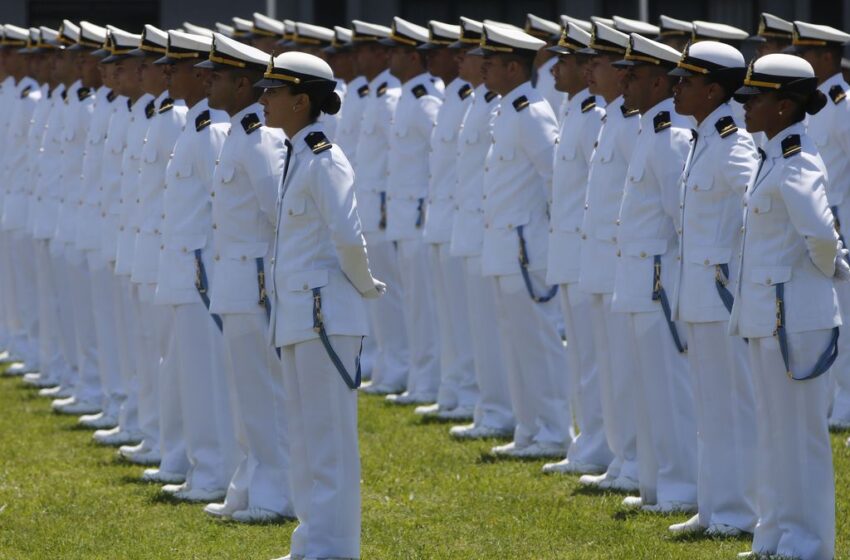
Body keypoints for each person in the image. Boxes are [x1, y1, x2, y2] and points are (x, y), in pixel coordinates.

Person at [257, 49, 384, 560]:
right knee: (307, 442)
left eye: (273, 92)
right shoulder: (298, 154)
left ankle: (335, 549)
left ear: (301, 100)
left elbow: (348, 238)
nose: (263, 100)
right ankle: (312, 542)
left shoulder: (326, 157)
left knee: (329, 444)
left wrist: (365, 286)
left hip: (324, 316)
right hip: (300, 315)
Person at [731, 52, 843, 560]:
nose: (746, 106)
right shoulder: (772, 155)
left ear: (783, 105)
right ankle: (774, 535)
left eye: (755, 97)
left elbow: (821, 235)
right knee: (775, 433)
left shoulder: (798, 158)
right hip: (769, 315)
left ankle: (810, 542)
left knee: (801, 437)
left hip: (794, 316)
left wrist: (823, 274)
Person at [196, 31, 294, 524]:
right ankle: (250, 484)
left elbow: (281, 213)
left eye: (217, 75)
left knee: (265, 394)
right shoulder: (238, 130)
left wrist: (272, 281)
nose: (206, 81)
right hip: (236, 280)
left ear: (242, 83)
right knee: (246, 395)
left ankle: (277, 495)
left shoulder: (258, 137)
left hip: (256, 283)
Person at [667, 40, 759, 537]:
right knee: (709, 406)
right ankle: (714, 504)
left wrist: (740, 267)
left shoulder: (732, 142)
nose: (677, 88)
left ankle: (740, 511)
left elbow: (760, 203)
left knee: (734, 407)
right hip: (698, 294)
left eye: (686, 81)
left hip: (722, 294)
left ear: (713, 89)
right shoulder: (703, 138)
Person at [474, 23, 572, 459]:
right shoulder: (508, 109)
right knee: (515, 342)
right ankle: (529, 428)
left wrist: (553, 238)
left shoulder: (532, 111)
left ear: (514, 66)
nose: (483, 69)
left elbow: (557, 179)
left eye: (491, 62)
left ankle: (553, 431)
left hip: (526, 247)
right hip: (504, 247)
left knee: (539, 344)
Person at [612, 33, 697, 513]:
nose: (625, 81)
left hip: (659, 281)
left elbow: (681, 221)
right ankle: (655, 485)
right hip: (639, 279)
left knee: (669, 392)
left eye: (635, 74)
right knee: (648, 391)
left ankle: (682, 487)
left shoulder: (672, 138)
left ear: (661, 82)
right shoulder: (648, 129)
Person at [541, 20, 612, 475]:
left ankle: (601, 446)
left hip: (590, 253)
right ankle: (589, 441)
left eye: (564, 62)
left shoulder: (594, 118)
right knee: (581, 355)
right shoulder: (572, 112)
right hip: (568, 251)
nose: (553, 70)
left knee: (595, 359)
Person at [576, 20, 642, 493]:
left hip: (623, 260)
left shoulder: (635, 121)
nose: (588, 71)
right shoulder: (611, 117)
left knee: (626, 367)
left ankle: (636, 458)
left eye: (596, 63)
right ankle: (620, 456)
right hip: (601, 259)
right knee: (606, 362)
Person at [447, 16, 514, 439]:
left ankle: (499, 411)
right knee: (475, 326)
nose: (470, 62)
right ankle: (487, 406)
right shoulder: (478, 101)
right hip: (472, 227)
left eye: (477, 56)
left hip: (494, 231)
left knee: (494, 330)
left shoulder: (501, 107)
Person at [788, 21, 850, 433]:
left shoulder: (843, 104)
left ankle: (846, 402)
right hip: (816, 225)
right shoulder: (813, 103)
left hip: (840, 226)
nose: (802, 62)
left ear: (827, 57)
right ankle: (833, 399)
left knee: (845, 318)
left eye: (807, 54)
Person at [379, 17, 444, 407]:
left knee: (425, 308)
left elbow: (443, 157)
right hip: (402, 217)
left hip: (419, 217)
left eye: (397, 52)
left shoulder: (425, 100)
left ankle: (428, 382)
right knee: (412, 306)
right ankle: (419, 381)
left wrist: (426, 204)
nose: (390, 57)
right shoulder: (406, 96)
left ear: (413, 57)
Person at [417, 20, 477, 421]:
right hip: (443, 219)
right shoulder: (456, 98)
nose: (440, 59)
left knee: (467, 318)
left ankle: (470, 393)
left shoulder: (470, 99)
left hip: (466, 221)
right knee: (449, 316)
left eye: (457, 53)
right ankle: (454, 389)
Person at [349, 20, 410, 397]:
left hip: (388, 210)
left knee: (393, 296)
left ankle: (399, 364)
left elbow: (396, 159)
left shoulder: (393, 97)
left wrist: (389, 202)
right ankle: (387, 362)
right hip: (369, 207)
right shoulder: (375, 94)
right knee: (375, 295)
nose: (356, 57)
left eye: (363, 49)